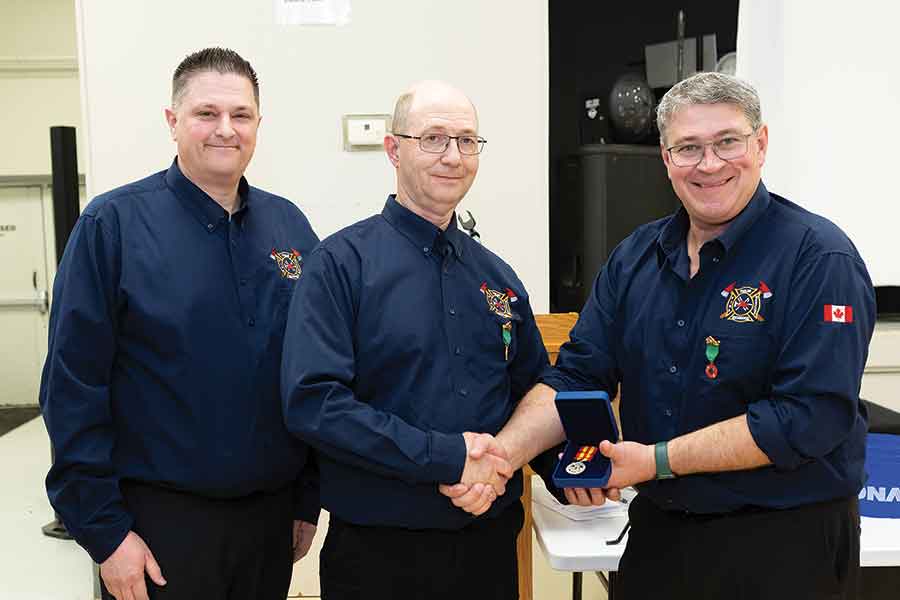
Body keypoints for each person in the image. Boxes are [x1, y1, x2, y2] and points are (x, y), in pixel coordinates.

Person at [444, 72, 875, 599]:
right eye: (688, 148)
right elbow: (578, 374)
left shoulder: (818, 258)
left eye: (727, 142)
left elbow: (809, 418)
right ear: (666, 160)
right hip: (661, 537)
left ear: (760, 145)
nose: (710, 163)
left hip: (786, 545)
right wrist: (502, 457)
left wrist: (654, 461)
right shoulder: (635, 257)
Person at [40, 47, 320, 600]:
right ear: (173, 122)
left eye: (240, 116)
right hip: (155, 527)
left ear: (258, 124)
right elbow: (73, 389)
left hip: (268, 522)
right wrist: (105, 533)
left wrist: (305, 498)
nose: (225, 130)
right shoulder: (112, 225)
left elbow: (310, 371)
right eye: (205, 114)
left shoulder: (289, 226)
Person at [280, 80, 556, 599]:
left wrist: (572, 472)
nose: (452, 156)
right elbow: (314, 404)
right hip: (380, 554)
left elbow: (535, 390)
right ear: (393, 148)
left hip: (488, 547)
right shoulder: (340, 266)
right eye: (433, 138)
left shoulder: (498, 278)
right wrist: (447, 457)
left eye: (467, 140)